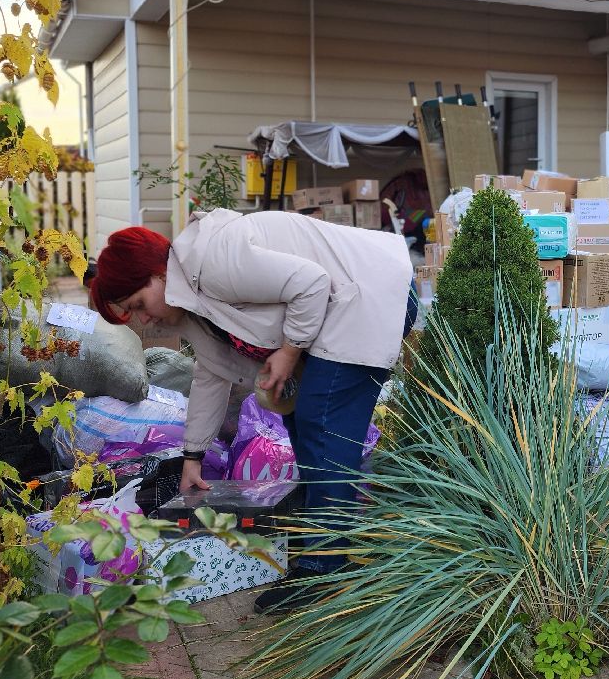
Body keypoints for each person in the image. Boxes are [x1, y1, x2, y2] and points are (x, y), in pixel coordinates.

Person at [88, 208, 415, 614]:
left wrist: (290, 350)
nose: (143, 318)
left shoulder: (213, 262)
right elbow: (210, 375)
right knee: (304, 429)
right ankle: (320, 551)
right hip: (340, 311)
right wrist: (193, 456)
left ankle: (324, 571)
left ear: (158, 273)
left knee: (322, 425)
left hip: (370, 294)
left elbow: (312, 284)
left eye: (138, 303)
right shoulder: (190, 308)